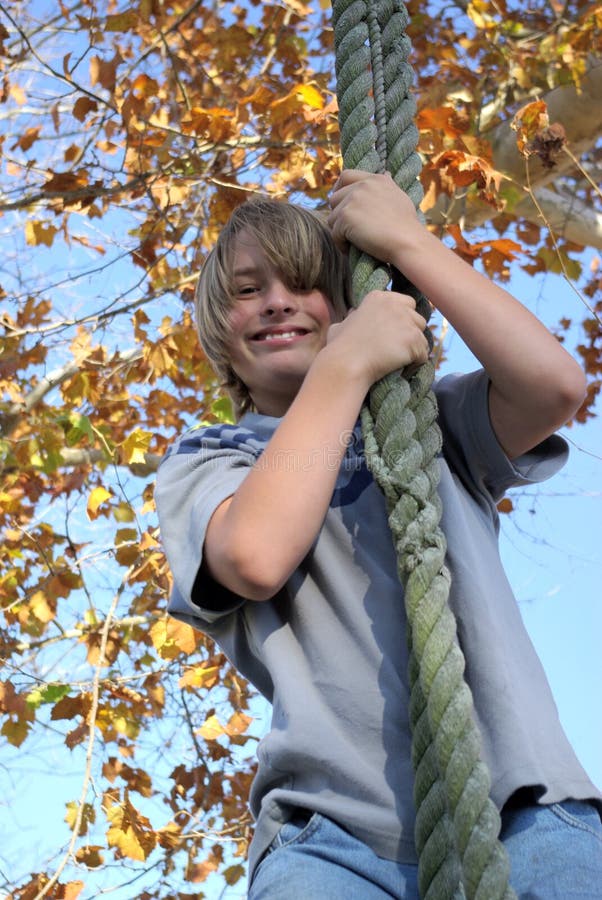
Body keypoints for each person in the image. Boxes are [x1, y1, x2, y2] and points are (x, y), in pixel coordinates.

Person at [155, 170, 602, 899]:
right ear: (219, 328)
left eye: (305, 284)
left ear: (348, 304)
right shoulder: (210, 463)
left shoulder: (435, 426)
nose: (276, 301)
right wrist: (347, 361)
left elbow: (554, 387)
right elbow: (256, 555)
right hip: (332, 839)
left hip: (528, 807)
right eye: (246, 290)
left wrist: (410, 243)